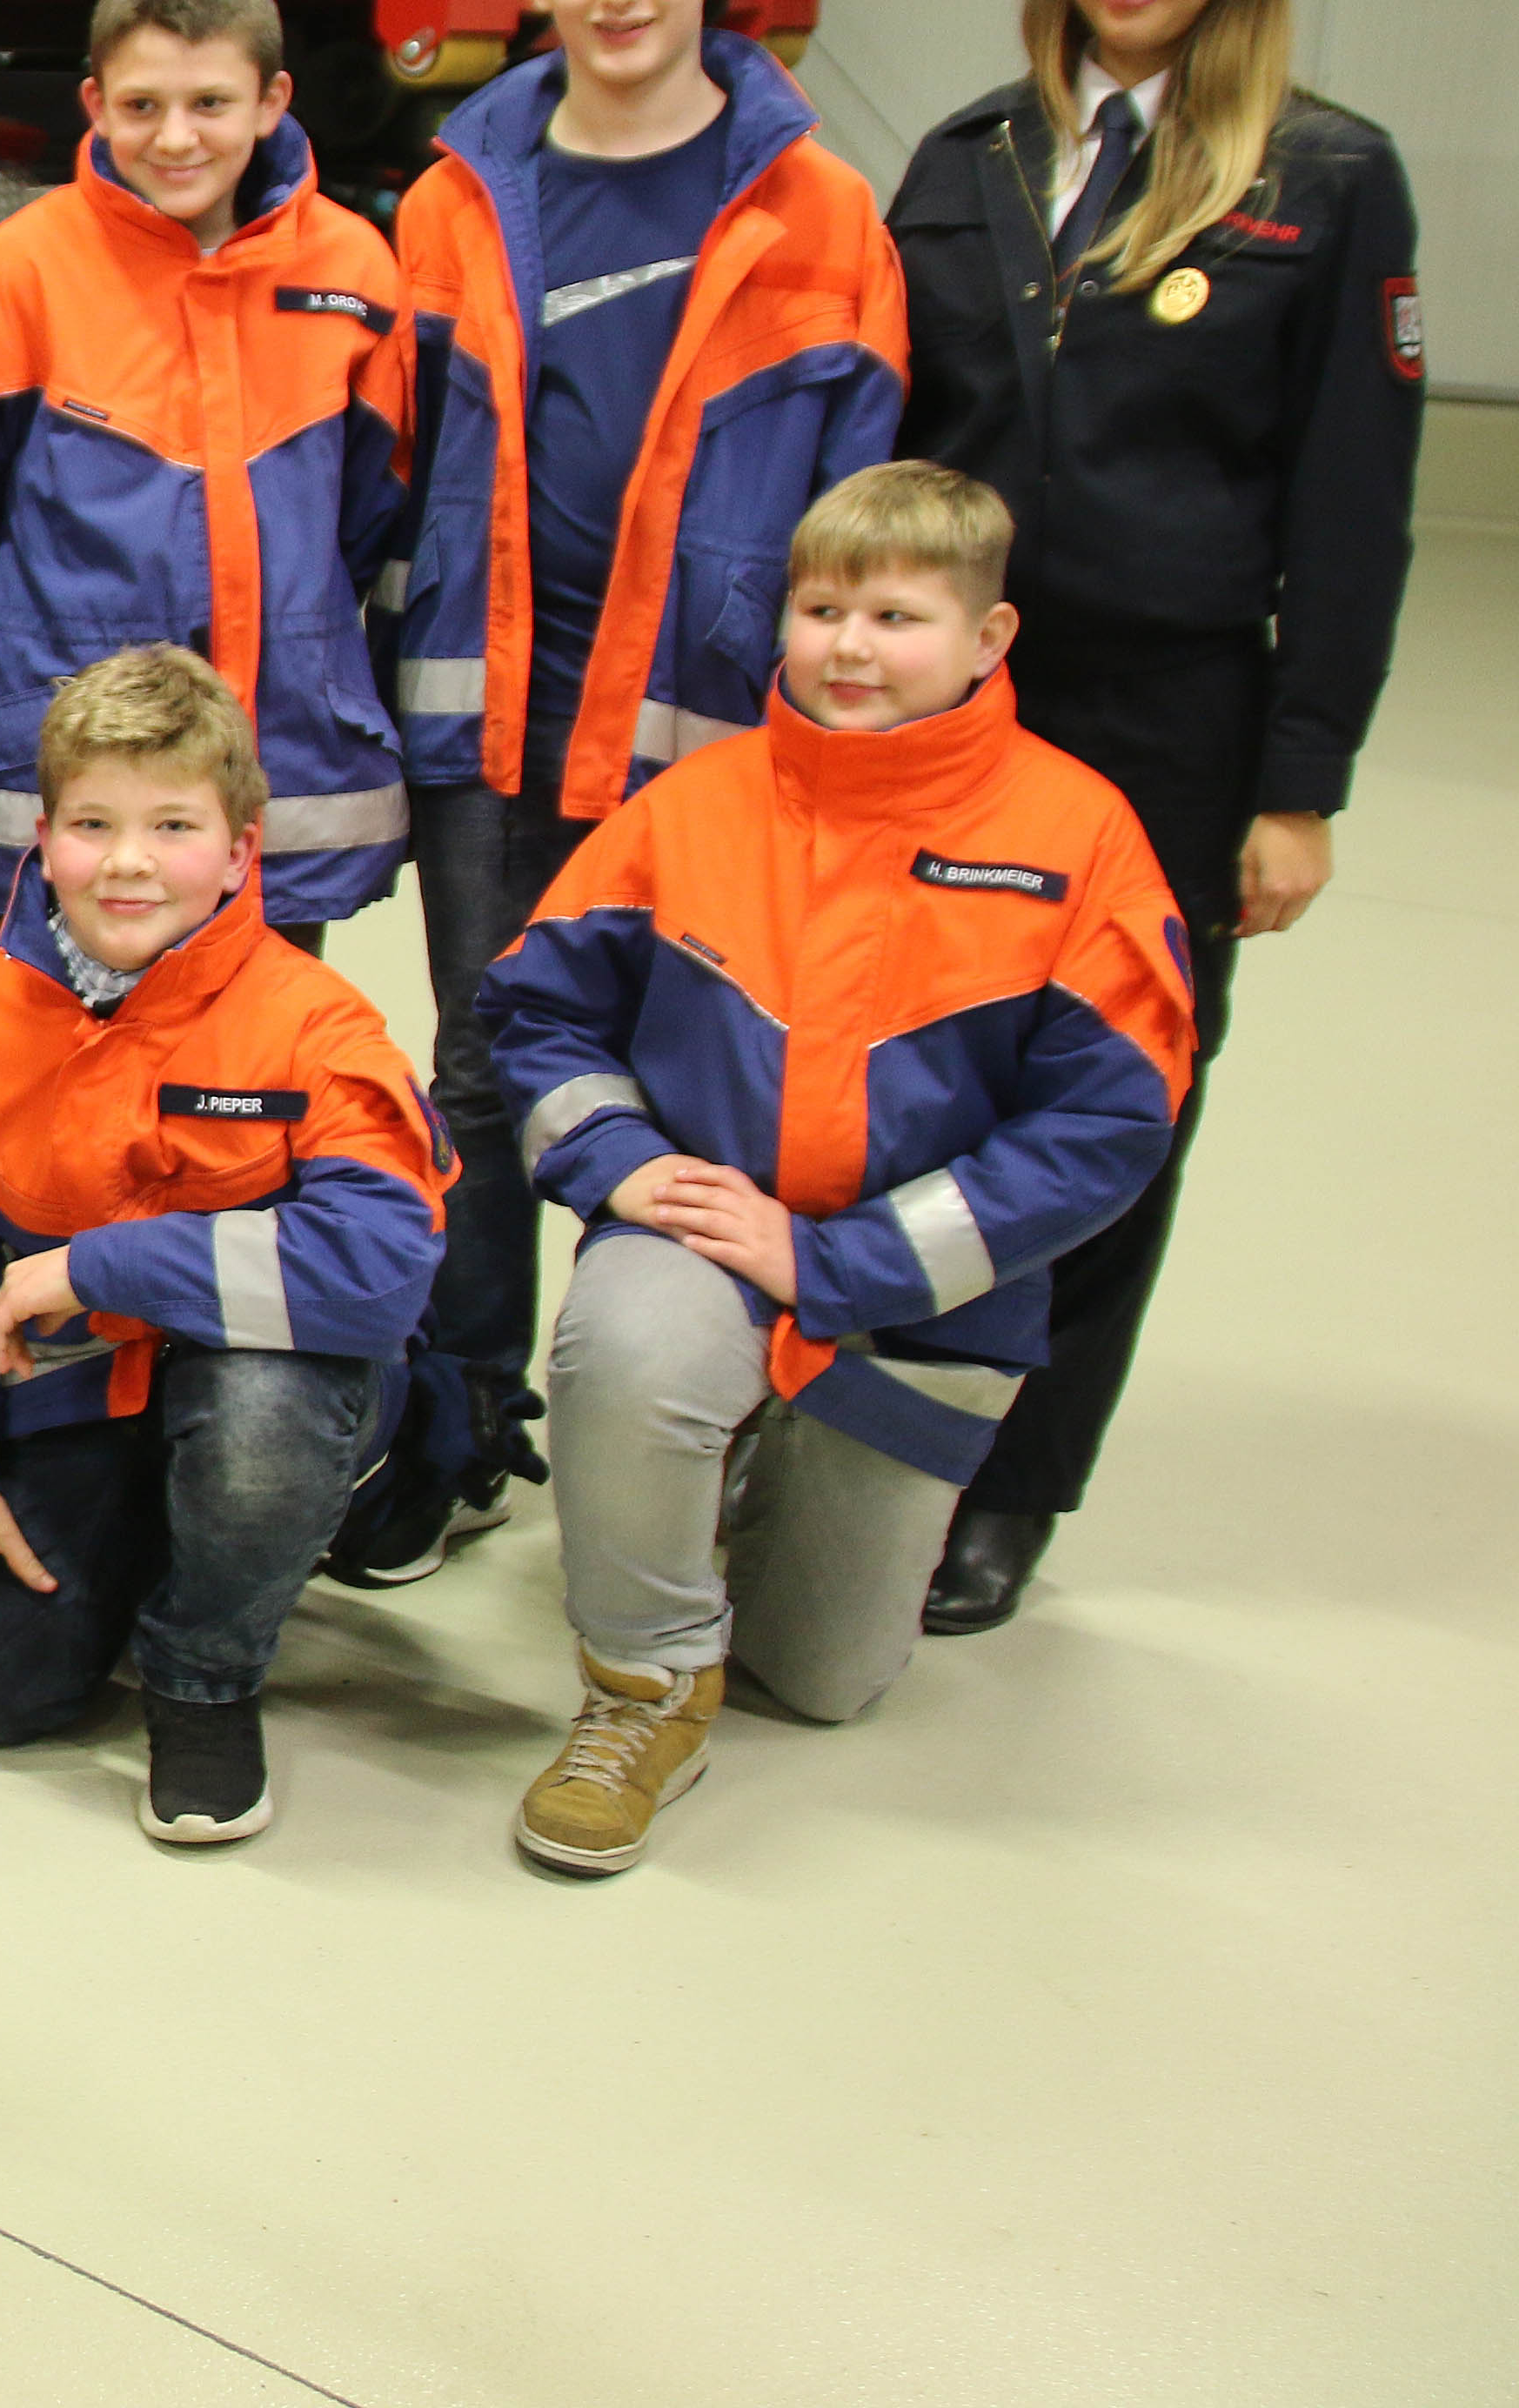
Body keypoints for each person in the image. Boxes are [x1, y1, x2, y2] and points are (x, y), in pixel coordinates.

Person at [886, 0, 1425, 1631]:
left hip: (1171, 726)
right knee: (916, 1073)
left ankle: (1015, 1482)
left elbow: (1351, 506)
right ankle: (872, 1432)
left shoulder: (1322, 179)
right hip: (951, 716)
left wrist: (1300, 782)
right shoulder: (964, 158)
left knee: (1110, 1096)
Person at [479, 465, 1191, 1874]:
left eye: (896, 617)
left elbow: (1106, 1128)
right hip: (701, 1238)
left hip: (921, 1298)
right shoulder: (692, 805)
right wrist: (618, 1162)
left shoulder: (1078, 837)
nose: (849, 647)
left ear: (989, 637)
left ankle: (751, 1461)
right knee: (625, 1350)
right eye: (819, 610)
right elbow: (535, 1014)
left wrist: (831, 1264)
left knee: (822, 1681)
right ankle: (645, 1685)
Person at [365, 0, 906, 1588]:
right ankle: (460, 1421)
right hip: (488, 717)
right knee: (480, 1069)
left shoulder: (819, 212)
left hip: (709, 731)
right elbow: (389, 468)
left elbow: (861, 501)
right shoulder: (456, 194)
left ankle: (690, 1425)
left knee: (708, 1083)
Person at [0, 646, 449, 1842]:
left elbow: (380, 1272)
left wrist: (97, 1266)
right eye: (93, 824)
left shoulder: (315, 1026)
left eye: (174, 826)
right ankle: (180, 1531)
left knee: (260, 1420)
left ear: (240, 851)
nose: (128, 861)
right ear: (43, 837)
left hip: (271, 1384)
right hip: (76, 1397)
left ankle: (206, 1677)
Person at [0, 0, 414, 944]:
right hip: (79, 781)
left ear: (272, 100)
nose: (176, 137)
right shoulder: (21, 277)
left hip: (277, 765)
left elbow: (371, 514)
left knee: (260, 1038)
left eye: (210, 103)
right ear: (95, 104)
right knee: (59, 1037)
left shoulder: (353, 275)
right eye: (143, 105)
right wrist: (5, 686)